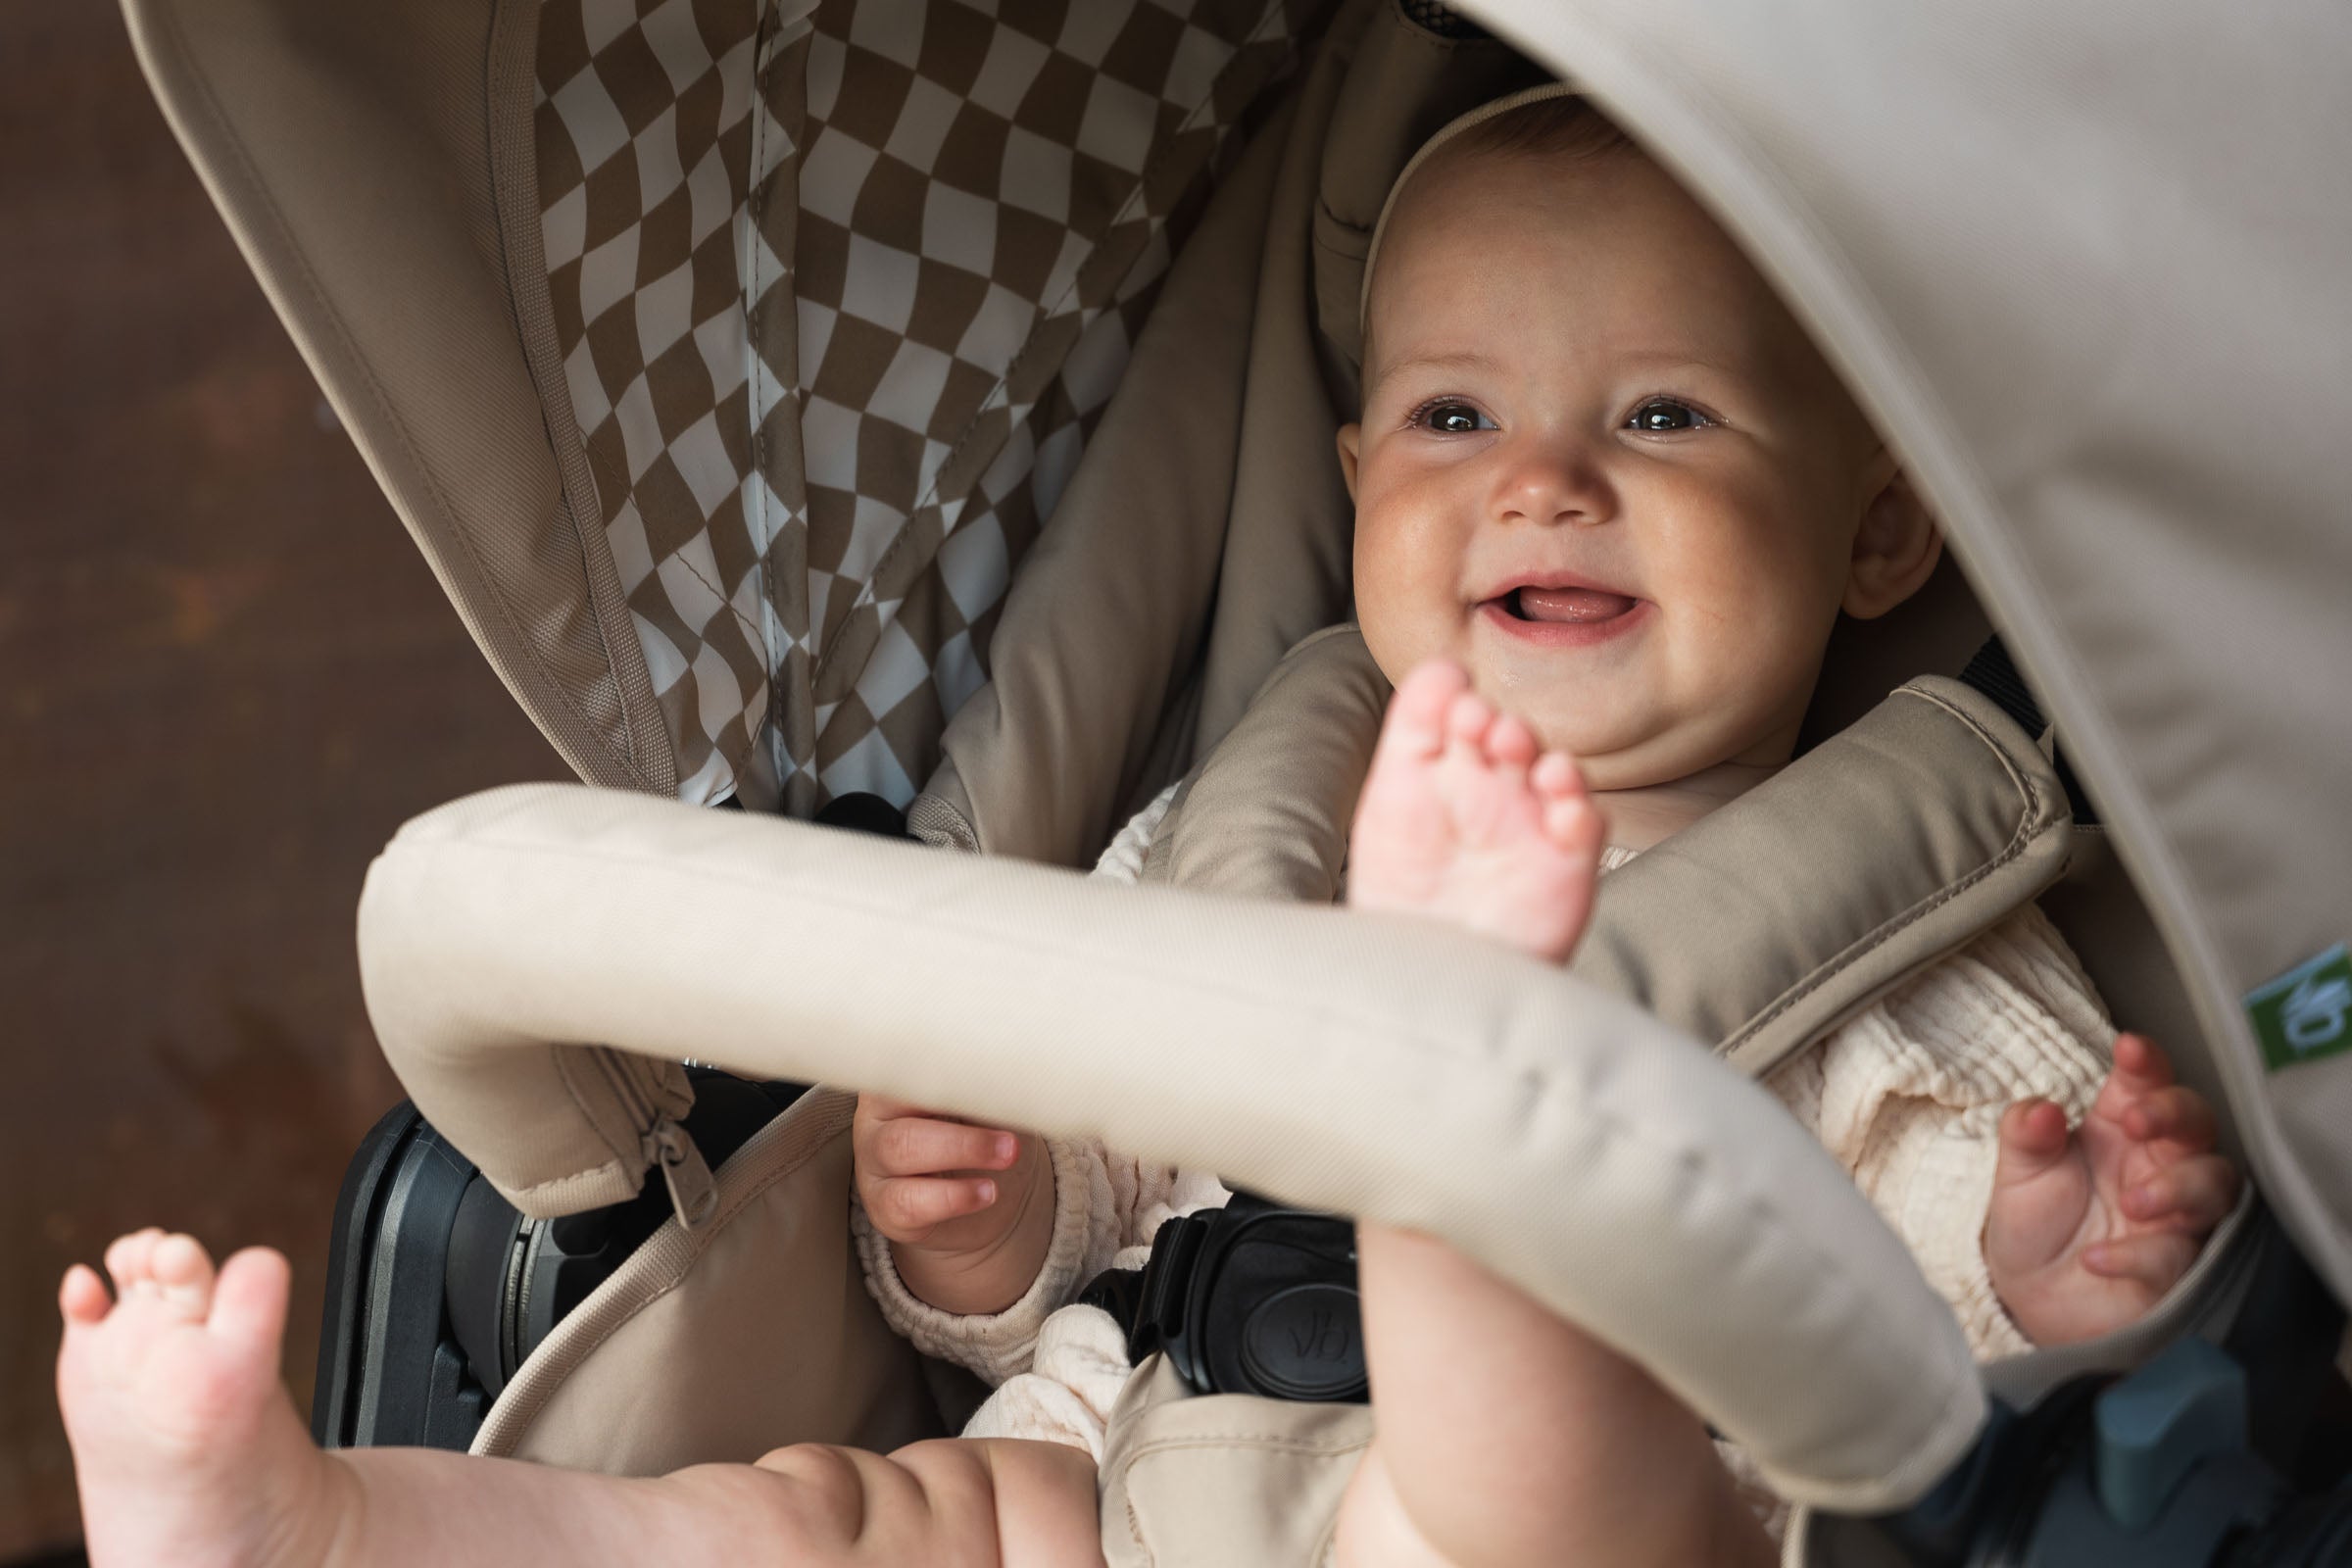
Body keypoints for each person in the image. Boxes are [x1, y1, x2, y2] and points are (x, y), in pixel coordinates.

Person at [54, 89, 2238, 1568]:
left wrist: (2059, 1269)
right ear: (1366, 465)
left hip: (1518, 1518)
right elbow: (1104, 1170)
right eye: (1456, 414)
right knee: (804, 1516)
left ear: (1878, 531)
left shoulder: (1921, 919)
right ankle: (325, 1524)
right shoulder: (1239, 820)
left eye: (1661, 414)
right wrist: (981, 1215)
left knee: (1530, 1490)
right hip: (1112, 1464)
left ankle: (1471, 1109)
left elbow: (1931, 1338)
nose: (1544, 477)